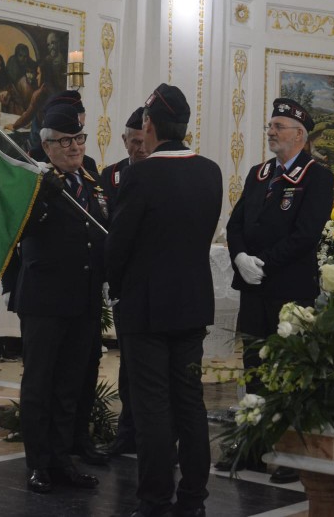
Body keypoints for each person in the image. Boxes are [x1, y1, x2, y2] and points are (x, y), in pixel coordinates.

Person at [105, 84, 223, 517]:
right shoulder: (210, 172)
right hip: (192, 304)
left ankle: (154, 499)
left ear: (150, 124)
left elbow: (119, 245)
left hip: (147, 308)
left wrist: (113, 283)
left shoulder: (141, 175)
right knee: (190, 403)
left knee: (152, 406)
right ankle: (193, 498)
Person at [220, 97, 332, 483]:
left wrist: (262, 262)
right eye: (270, 126)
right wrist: (239, 258)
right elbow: (235, 224)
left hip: (289, 290)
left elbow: (306, 235)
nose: (270, 132)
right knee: (254, 369)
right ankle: (253, 446)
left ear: (299, 135)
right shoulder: (259, 173)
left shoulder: (316, 177)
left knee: (290, 372)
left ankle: (291, 452)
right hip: (254, 289)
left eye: (277, 127)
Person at [2, 104, 108, 494]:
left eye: (79, 138)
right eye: (65, 141)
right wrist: (43, 200)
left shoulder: (90, 179)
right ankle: (39, 464)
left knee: (70, 384)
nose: (75, 147)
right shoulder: (33, 180)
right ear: (47, 146)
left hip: (83, 298)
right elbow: (17, 230)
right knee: (40, 384)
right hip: (44, 301)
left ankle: (63, 460)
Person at [98, 106, 148, 457]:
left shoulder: (161, 172)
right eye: (133, 142)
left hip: (150, 279)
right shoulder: (111, 175)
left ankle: (153, 435)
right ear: (123, 140)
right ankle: (126, 431)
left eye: (144, 141)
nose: (139, 148)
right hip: (123, 283)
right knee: (128, 362)